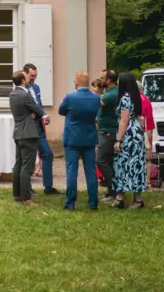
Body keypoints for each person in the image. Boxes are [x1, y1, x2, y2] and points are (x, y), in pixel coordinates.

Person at [58, 72, 101, 210]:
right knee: (91, 172)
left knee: (72, 171)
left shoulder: (70, 97)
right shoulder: (96, 98)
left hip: (72, 138)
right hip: (89, 138)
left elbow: (61, 111)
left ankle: (70, 202)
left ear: (76, 83)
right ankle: (93, 202)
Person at [111, 72, 147, 209]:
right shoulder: (135, 96)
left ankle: (120, 197)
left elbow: (124, 121)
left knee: (124, 165)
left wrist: (118, 140)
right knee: (136, 165)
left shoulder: (125, 98)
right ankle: (137, 199)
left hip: (128, 135)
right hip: (136, 132)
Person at [9, 70, 44, 205]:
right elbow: (37, 109)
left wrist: (31, 113)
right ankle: (26, 197)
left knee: (18, 164)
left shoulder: (13, 94)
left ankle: (17, 194)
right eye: (26, 77)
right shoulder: (25, 94)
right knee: (27, 167)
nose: (29, 79)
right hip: (29, 133)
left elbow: (24, 110)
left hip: (18, 133)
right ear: (23, 80)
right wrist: (43, 116)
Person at [23, 63, 58, 195]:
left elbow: (39, 105)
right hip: (28, 127)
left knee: (48, 154)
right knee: (29, 158)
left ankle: (48, 187)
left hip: (38, 125)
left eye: (35, 76)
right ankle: (27, 188)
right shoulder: (20, 89)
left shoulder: (36, 87)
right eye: (32, 76)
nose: (34, 78)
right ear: (25, 74)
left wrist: (44, 115)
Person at [97, 70, 120, 201]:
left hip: (107, 132)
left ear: (109, 80)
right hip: (108, 130)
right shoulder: (110, 93)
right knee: (109, 162)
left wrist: (94, 91)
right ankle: (113, 190)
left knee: (100, 160)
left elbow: (97, 102)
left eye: (102, 78)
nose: (100, 80)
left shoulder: (111, 95)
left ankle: (113, 190)